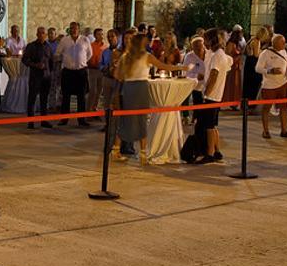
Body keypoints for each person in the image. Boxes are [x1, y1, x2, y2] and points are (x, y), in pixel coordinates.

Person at [112, 32, 188, 163]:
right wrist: (180, 67)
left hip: (129, 88)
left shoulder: (126, 57)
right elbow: (163, 66)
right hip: (140, 88)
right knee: (142, 119)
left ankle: (116, 149)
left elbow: (116, 75)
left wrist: (128, 76)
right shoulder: (146, 56)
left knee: (126, 119)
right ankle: (143, 153)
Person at [190, 28, 231, 164]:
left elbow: (214, 74)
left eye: (206, 39)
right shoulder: (220, 54)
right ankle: (217, 150)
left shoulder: (217, 55)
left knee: (208, 126)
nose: (205, 43)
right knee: (212, 125)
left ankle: (210, 153)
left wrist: (206, 93)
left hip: (212, 95)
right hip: (216, 94)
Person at [256, 33, 287, 139]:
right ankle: (265, 131)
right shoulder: (265, 53)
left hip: (282, 84)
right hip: (269, 85)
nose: (285, 44)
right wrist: (270, 71)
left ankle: (284, 130)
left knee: (283, 108)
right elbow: (257, 68)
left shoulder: (284, 52)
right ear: (275, 43)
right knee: (266, 108)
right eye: (282, 42)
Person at [56, 22, 92, 127]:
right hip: (68, 72)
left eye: (76, 28)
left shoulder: (85, 40)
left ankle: (82, 120)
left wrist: (82, 62)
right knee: (66, 96)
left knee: (81, 97)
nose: (74, 30)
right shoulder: (64, 40)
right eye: (72, 28)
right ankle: (64, 119)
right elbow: (58, 53)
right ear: (69, 29)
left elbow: (89, 54)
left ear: (79, 29)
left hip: (81, 72)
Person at [23, 26, 53, 128]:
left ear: (45, 35)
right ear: (36, 34)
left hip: (46, 77)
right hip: (35, 77)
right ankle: (31, 122)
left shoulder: (48, 47)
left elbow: (51, 61)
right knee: (32, 99)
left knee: (44, 100)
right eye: (39, 33)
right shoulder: (31, 46)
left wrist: (50, 73)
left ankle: (44, 120)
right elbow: (25, 60)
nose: (41, 35)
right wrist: (35, 65)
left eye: (43, 33)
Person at [242, 26, 266, 106]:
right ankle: (251, 104)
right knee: (253, 85)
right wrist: (263, 52)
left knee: (247, 85)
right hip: (253, 64)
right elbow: (256, 55)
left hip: (248, 63)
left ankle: (246, 104)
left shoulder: (252, 39)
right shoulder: (257, 41)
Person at [86, 27, 107, 112]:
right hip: (92, 70)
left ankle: (94, 107)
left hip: (101, 71)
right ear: (95, 35)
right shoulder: (91, 46)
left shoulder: (105, 46)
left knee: (99, 91)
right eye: (99, 34)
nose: (101, 36)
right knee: (92, 91)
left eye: (102, 34)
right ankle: (88, 109)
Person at [221, 29, 241, 108]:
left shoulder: (236, 44)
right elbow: (228, 55)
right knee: (230, 85)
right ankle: (227, 101)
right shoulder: (231, 44)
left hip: (236, 67)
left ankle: (234, 103)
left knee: (235, 85)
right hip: (232, 67)